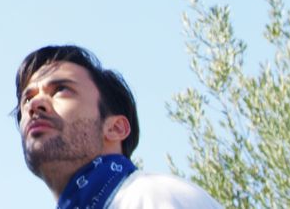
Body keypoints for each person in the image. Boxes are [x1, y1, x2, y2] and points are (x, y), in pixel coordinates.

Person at [14, 45, 222, 209]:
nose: (34, 105)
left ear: (115, 128)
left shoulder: (154, 196)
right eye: (27, 99)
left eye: (61, 90)